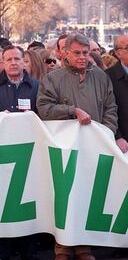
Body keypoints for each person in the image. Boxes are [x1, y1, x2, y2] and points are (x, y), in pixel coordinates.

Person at [37, 34, 118, 260]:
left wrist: (107, 132)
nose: (83, 57)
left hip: (94, 148)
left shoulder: (101, 78)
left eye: (86, 53)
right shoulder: (53, 79)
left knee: (89, 196)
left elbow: (111, 107)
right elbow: (44, 109)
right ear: (65, 53)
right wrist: (72, 111)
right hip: (65, 150)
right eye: (77, 53)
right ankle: (62, 248)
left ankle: (84, 247)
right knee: (65, 197)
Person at [0, 45, 40, 260]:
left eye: (17, 58)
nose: (13, 63)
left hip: (30, 156)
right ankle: (4, 248)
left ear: (25, 62)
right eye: (9, 59)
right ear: (3, 63)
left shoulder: (36, 87)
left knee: (28, 201)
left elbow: (45, 117)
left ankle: (28, 249)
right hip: (3, 158)